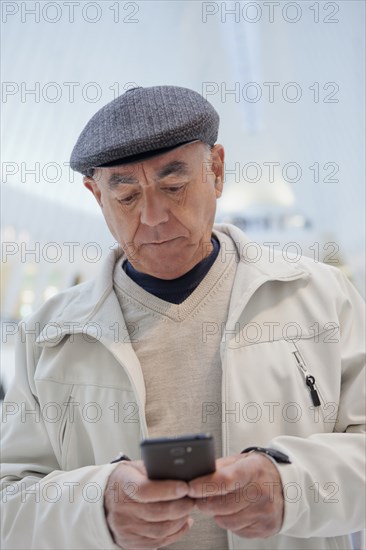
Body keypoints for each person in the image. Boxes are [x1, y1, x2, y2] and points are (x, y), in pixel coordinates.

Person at [1, 86, 365, 550]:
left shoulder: (319, 298)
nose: (153, 217)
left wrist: (292, 487)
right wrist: (97, 508)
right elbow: (8, 501)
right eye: (127, 196)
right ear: (96, 196)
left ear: (216, 172)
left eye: (173, 187)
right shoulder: (50, 335)